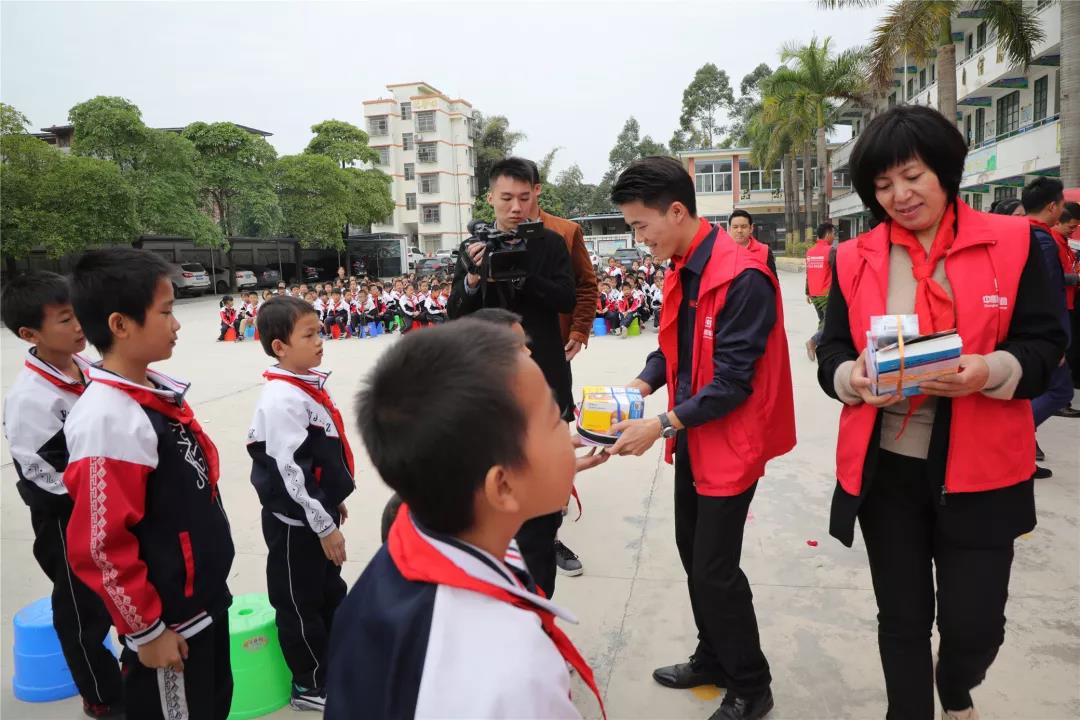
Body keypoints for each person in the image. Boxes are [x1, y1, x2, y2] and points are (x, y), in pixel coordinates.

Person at [816, 105, 1066, 720]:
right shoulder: (855, 257)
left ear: (946, 171)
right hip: (888, 468)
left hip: (982, 468)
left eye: (912, 176)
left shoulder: (1017, 243)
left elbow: (1046, 344)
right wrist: (851, 378)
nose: (898, 196)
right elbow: (834, 348)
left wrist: (990, 370)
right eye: (882, 185)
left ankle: (955, 685)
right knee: (902, 619)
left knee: (975, 627)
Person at [326, 321, 607, 719]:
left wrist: (550, 471)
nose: (569, 430)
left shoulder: (423, 538)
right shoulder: (515, 674)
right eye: (555, 420)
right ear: (502, 486)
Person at [608, 156, 795, 720]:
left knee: (715, 568)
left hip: (730, 440)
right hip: (693, 432)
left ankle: (751, 686)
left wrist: (659, 424)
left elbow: (733, 382)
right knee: (693, 555)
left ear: (676, 211)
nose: (639, 238)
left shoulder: (743, 277)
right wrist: (640, 386)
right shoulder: (681, 266)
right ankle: (713, 655)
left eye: (641, 225)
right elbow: (673, 347)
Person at [64, 248, 236, 719]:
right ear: (120, 325)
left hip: (202, 602)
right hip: (168, 624)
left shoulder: (151, 395)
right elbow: (100, 545)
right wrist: (147, 631)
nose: (176, 324)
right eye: (165, 312)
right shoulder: (108, 418)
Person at [448, 156, 576, 600]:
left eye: (524, 197)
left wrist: (524, 276)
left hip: (543, 378)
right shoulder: (473, 246)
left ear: (536, 194)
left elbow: (566, 298)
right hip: (490, 386)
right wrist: (472, 277)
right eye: (506, 198)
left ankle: (542, 577)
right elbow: (454, 313)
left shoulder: (551, 243)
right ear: (490, 198)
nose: (516, 207)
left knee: (543, 486)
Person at [1, 272, 125, 719]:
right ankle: (102, 696)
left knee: (119, 593)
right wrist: (100, 496)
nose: (79, 327)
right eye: (65, 319)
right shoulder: (30, 399)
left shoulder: (87, 369)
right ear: (29, 334)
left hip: (107, 507)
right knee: (81, 611)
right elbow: (43, 476)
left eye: (78, 315)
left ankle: (125, 672)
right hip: (66, 519)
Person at [247, 297, 355, 712]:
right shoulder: (281, 399)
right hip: (295, 525)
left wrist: (331, 504)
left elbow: (317, 460)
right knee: (299, 604)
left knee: (329, 592)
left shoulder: (304, 386)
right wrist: (323, 525)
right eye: (309, 335)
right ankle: (309, 683)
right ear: (279, 347)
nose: (320, 341)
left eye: (319, 332)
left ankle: (338, 663)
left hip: (314, 513)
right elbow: (291, 471)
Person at [1021, 177, 1077, 475]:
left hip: (1028, 331)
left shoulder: (1020, 234)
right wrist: (1056, 341)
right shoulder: (1042, 240)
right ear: (1052, 206)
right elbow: (1047, 295)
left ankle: (1020, 450)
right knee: (1060, 391)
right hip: (1043, 332)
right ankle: (1014, 436)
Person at [804, 222, 835, 361]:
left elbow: (808, 273)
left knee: (823, 321)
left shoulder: (810, 251)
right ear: (828, 234)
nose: (834, 237)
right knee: (830, 323)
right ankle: (813, 342)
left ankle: (821, 346)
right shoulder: (831, 251)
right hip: (826, 294)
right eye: (833, 234)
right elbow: (837, 272)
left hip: (814, 294)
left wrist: (807, 292)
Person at [727, 209, 778, 278]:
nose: (739, 230)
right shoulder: (723, 253)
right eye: (735, 227)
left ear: (751, 228)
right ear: (729, 230)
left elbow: (773, 280)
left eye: (743, 226)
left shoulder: (765, 251)